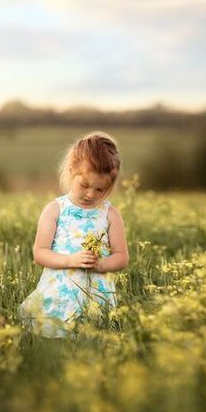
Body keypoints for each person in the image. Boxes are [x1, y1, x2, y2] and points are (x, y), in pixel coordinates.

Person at [18, 131, 129, 338]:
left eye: (100, 189)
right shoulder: (55, 209)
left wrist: (102, 265)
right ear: (71, 171)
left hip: (96, 293)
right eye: (85, 185)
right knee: (53, 337)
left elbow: (122, 256)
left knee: (93, 339)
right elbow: (40, 252)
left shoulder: (110, 214)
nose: (90, 194)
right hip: (60, 291)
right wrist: (70, 260)